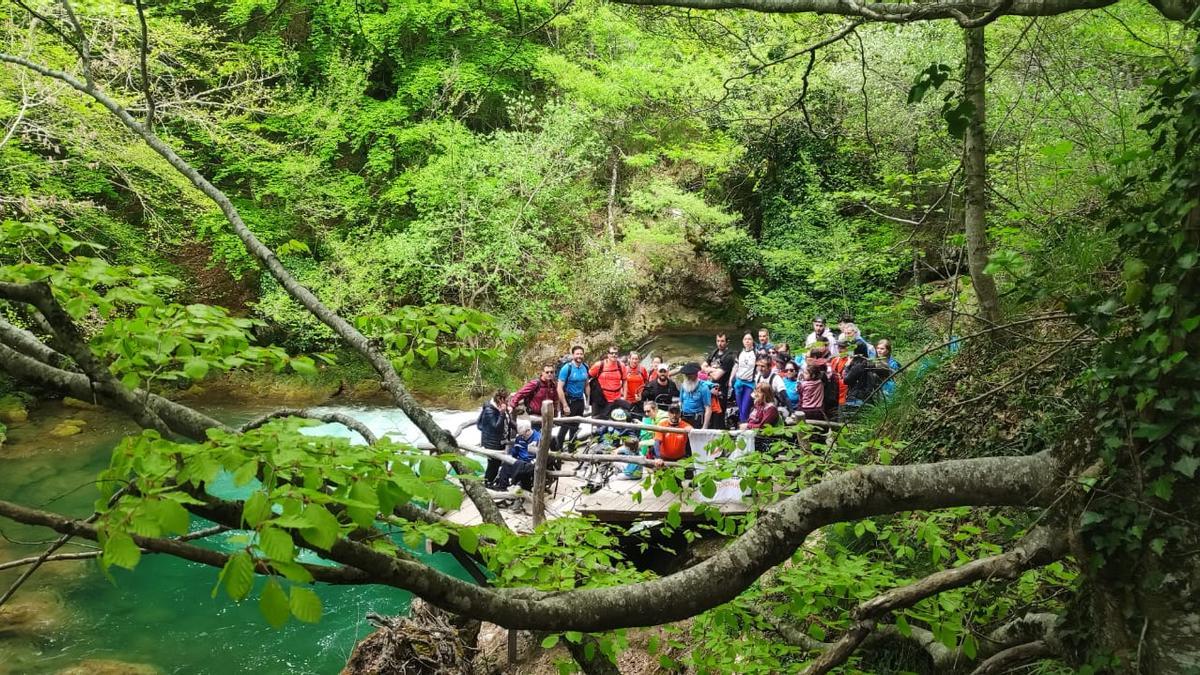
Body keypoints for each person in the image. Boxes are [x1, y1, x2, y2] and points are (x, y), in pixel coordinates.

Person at [477, 389, 513, 488]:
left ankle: (490, 483)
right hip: (492, 443)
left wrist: (520, 428)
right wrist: (502, 412)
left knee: (496, 465)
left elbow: (508, 422)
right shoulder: (489, 410)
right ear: (501, 399)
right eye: (508, 399)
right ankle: (487, 484)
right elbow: (496, 427)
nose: (509, 401)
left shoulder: (501, 407)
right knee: (492, 466)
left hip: (499, 442)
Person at [557, 345, 589, 450]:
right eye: (577, 354)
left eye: (581, 354)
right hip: (569, 400)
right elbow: (559, 388)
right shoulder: (567, 368)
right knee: (565, 427)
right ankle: (558, 450)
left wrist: (587, 401)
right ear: (573, 355)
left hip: (580, 400)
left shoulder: (585, 367)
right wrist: (565, 405)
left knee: (575, 427)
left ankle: (571, 450)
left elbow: (586, 384)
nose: (579, 356)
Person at [493, 421, 541, 491]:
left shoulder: (538, 438)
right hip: (520, 461)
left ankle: (516, 485)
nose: (521, 436)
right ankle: (502, 486)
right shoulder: (519, 438)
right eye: (520, 434)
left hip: (531, 462)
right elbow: (515, 450)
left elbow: (540, 457)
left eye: (523, 435)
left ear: (528, 431)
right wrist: (509, 456)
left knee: (521, 467)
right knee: (507, 463)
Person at [701, 333, 736, 427]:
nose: (720, 343)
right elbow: (703, 366)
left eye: (722, 341)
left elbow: (717, 376)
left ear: (727, 342)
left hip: (720, 391)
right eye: (718, 341)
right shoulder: (714, 352)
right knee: (708, 416)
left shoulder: (729, 356)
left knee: (718, 418)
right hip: (709, 388)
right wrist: (713, 370)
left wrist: (708, 370)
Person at [589, 345, 628, 416]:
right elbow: (587, 378)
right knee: (598, 422)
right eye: (612, 353)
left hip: (616, 400)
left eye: (616, 353)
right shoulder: (599, 365)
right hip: (601, 399)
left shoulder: (621, 366)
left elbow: (625, 381)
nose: (614, 355)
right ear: (608, 354)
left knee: (613, 422)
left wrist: (624, 398)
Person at [742, 381, 780, 453]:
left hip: (764, 441)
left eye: (759, 392)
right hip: (752, 437)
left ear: (766, 394)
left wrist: (748, 426)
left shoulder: (770, 408)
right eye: (756, 391)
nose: (756, 394)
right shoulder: (758, 405)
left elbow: (762, 427)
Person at [843, 343, 880, 414]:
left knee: (852, 421)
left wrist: (847, 366)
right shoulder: (870, 364)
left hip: (856, 398)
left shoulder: (858, 366)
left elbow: (846, 380)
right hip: (868, 397)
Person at [677, 362, 712, 430]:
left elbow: (708, 409)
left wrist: (704, 427)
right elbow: (680, 402)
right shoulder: (683, 386)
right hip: (684, 418)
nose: (688, 377)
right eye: (686, 375)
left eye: (690, 375)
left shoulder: (704, 388)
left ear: (696, 374)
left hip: (697, 419)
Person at [733, 333, 757, 423]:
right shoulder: (740, 352)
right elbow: (736, 366)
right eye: (745, 339)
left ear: (752, 341)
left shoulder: (756, 353)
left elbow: (758, 368)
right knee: (740, 408)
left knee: (745, 408)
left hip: (750, 383)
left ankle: (744, 426)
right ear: (743, 341)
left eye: (749, 339)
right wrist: (731, 379)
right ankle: (743, 426)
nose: (747, 341)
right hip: (739, 382)